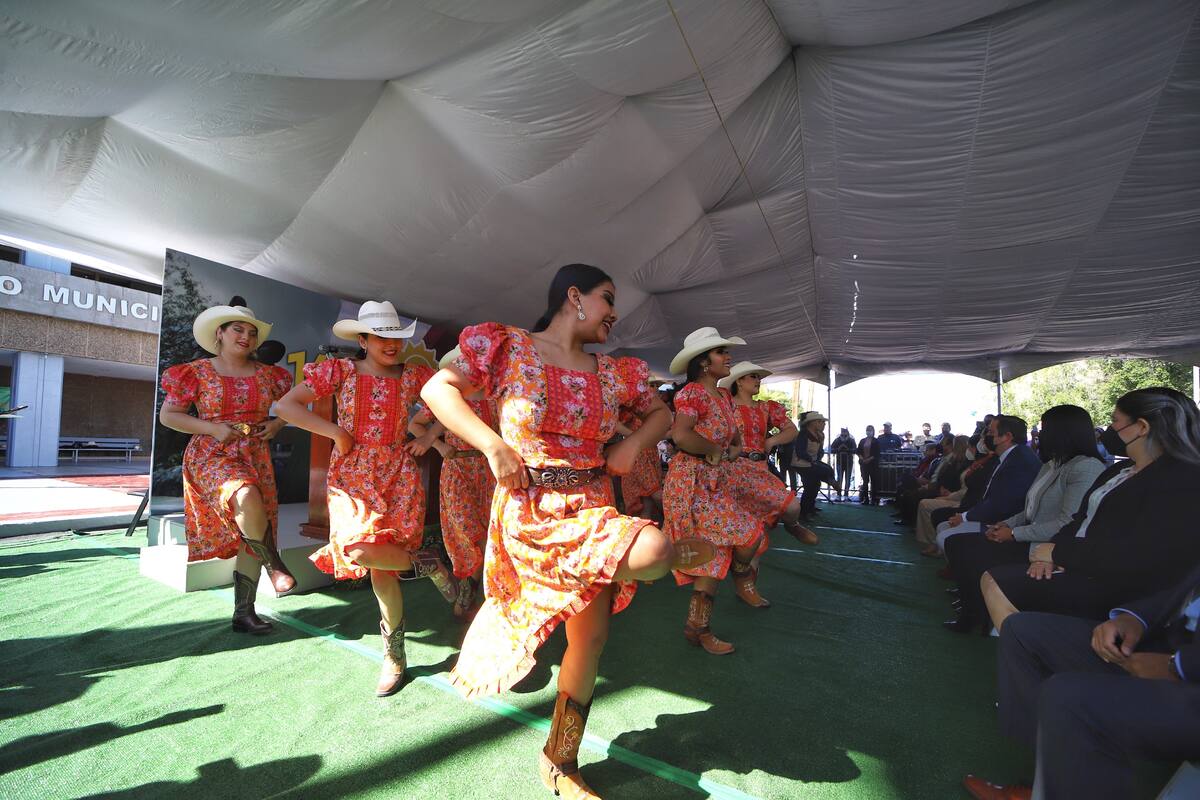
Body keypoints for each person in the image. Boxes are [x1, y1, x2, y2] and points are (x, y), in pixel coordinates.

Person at [420, 264, 716, 798]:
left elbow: (659, 412)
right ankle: (663, 556)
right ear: (574, 297)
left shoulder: (613, 374)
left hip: (593, 500)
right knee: (652, 549)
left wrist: (631, 445)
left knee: (592, 639)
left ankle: (561, 758)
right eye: (608, 300)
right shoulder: (506, 346)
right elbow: (438, 390)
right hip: (530, 510)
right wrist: (493, 446)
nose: (614, 314)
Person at [276, 301, 452, 696]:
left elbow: (455, 399)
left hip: (398, 473)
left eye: (396, 337)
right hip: (352, 473)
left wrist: (426, 435)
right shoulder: (339, 371)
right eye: (381, 336)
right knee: (359, 550)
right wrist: (335, 433)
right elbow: (285, 406)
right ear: (363, 339)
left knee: (382, 569)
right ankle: (431, 563)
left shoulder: (416, 376)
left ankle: (394, 656)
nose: (390, 344)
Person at [962, 561, 1200, 800]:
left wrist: (1177, 665)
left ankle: (1049, 784)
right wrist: (1134, 619)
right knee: (1019, 631)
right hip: (1167, 643)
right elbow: (1186, 594)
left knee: (1066, 698)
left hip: (1190, 679)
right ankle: (1043, 779)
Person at [981, 387, 1200, 632]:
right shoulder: (1119, 470)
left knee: (997, 583)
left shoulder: (1178, 481)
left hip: (1112, 581)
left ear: (1142, 427)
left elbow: (1137, 551)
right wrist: (1051, 553)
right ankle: (1027, 645)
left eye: (1116, 421)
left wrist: (1058, 554)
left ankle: (1034, 648)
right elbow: (1079, 518)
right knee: (993, 580)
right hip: (1078, 560)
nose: (1110, 429)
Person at [664, 327, 818, 644]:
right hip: (693, 484)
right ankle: (739, 577)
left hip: (719, 480)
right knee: (748, 534)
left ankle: (698, 628)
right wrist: (715, 450)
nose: (728, 357)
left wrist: (732, 446)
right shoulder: (691, 393)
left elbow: (732, 435)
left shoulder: (721, 396)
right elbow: (681, 436)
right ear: (704, 363)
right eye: (721, 352)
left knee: (715, 557)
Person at [159, 303, 294, 635]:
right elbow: (169, 416)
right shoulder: (196, 372)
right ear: (219, 333)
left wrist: (277, 425)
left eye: (251, 333)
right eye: (238, 329)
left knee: (254, 524)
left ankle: (243, 613)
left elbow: (294, 406)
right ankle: (275, 564)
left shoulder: (270, 375)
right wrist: (212, 428)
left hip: (255, 453)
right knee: (244, 493)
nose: (246, 337)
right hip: (211, 451)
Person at [942, 405, 1106, 634]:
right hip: (1027, 537)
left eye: (1046, 428)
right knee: (958, 543)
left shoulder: (1085, 467)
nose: (1039, 434)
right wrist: (1007, 524)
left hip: (1047, 549)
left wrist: (1013, 534)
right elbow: (1031, 509)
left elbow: (1066, 522)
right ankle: (974, 609)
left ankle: (976, 616)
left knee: (971, 549)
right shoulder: (1052, 464)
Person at [409, 346, 498, 619]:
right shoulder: (448, 396)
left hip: (490, 469)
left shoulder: (498, 396)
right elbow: (415, 425)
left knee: (492, 529)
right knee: (463, 526)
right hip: (458, 467)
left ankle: (489, 592)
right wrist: (437, 445)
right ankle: (467, 582)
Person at [933, 415, 1042, 555]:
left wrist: (965, 517)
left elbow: (1003, 503)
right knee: (943, 527)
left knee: (945, 536)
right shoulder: (1009, 456)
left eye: (991, 432)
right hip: (994, 517)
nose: (986, 436)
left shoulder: (1019, 462)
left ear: (1006, 437)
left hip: (1004, 523)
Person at [790, 411, 837, 519]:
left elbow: (819, 451)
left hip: (810, 463)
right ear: (812, 423)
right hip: (800, 463)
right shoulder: (803, 434)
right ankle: (804, 512)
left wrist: (816, 459)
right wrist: (812, 460)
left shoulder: (820, 435)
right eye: (820, 422)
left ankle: (809, 507)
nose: (824, 424)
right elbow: (800, 451)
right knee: (811, 485)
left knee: (815, 484)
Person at [830, 427, 857, 500]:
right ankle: (838, 494)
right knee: (839, 479)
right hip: (839, 462)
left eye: (845, 434)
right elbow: (831, 449)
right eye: (842, 434)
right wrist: (838, 449)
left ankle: (846, 495)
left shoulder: (851, 440)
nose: (843, 435)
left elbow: (855, 450)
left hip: (849, 463)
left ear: (848, 433)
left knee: (848, 479)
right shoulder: (837, 440)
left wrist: (848, 450)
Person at [857, 425, 881, 504]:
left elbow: (877, 453)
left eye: (870, 430)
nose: (868, 431)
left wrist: (869, 459)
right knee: (865, 482)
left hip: (873, 464)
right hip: (864, 464)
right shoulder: (862, 440)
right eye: (867, 430)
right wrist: (862, 458)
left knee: (874, 481)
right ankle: (866, 499)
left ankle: (873, 499)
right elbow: (858, 451)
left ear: (873, 431)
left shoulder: (876, 441)